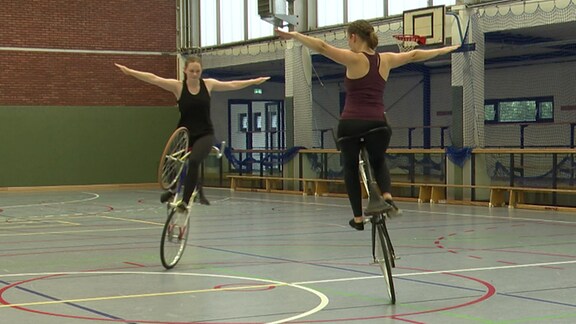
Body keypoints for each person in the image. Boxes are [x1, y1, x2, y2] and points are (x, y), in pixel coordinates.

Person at [276, 20, 459, 231]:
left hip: (351, 125)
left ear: (354, 37)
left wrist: (296, 36)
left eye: (348, 39)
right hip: (378, 124)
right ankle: (388, 198)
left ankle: (358, 218)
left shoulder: (353, 59)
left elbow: (322, 47)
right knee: (378, 160)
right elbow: (414, 55)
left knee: (351, 168)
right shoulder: (386, 59)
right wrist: (446, 49)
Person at [115, 57, 270, 213]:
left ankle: (185, 201)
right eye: (192, 71)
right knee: (171, 161)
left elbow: (231, 84)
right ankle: (173, 190)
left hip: (204, 134)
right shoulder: (178, 87)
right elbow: (154, 79)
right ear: (185, 71)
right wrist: (129, 72)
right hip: (184, 134)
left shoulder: (208, 84)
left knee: (194, 161)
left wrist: (253, 81)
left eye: (198, 71)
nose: (195, 74)